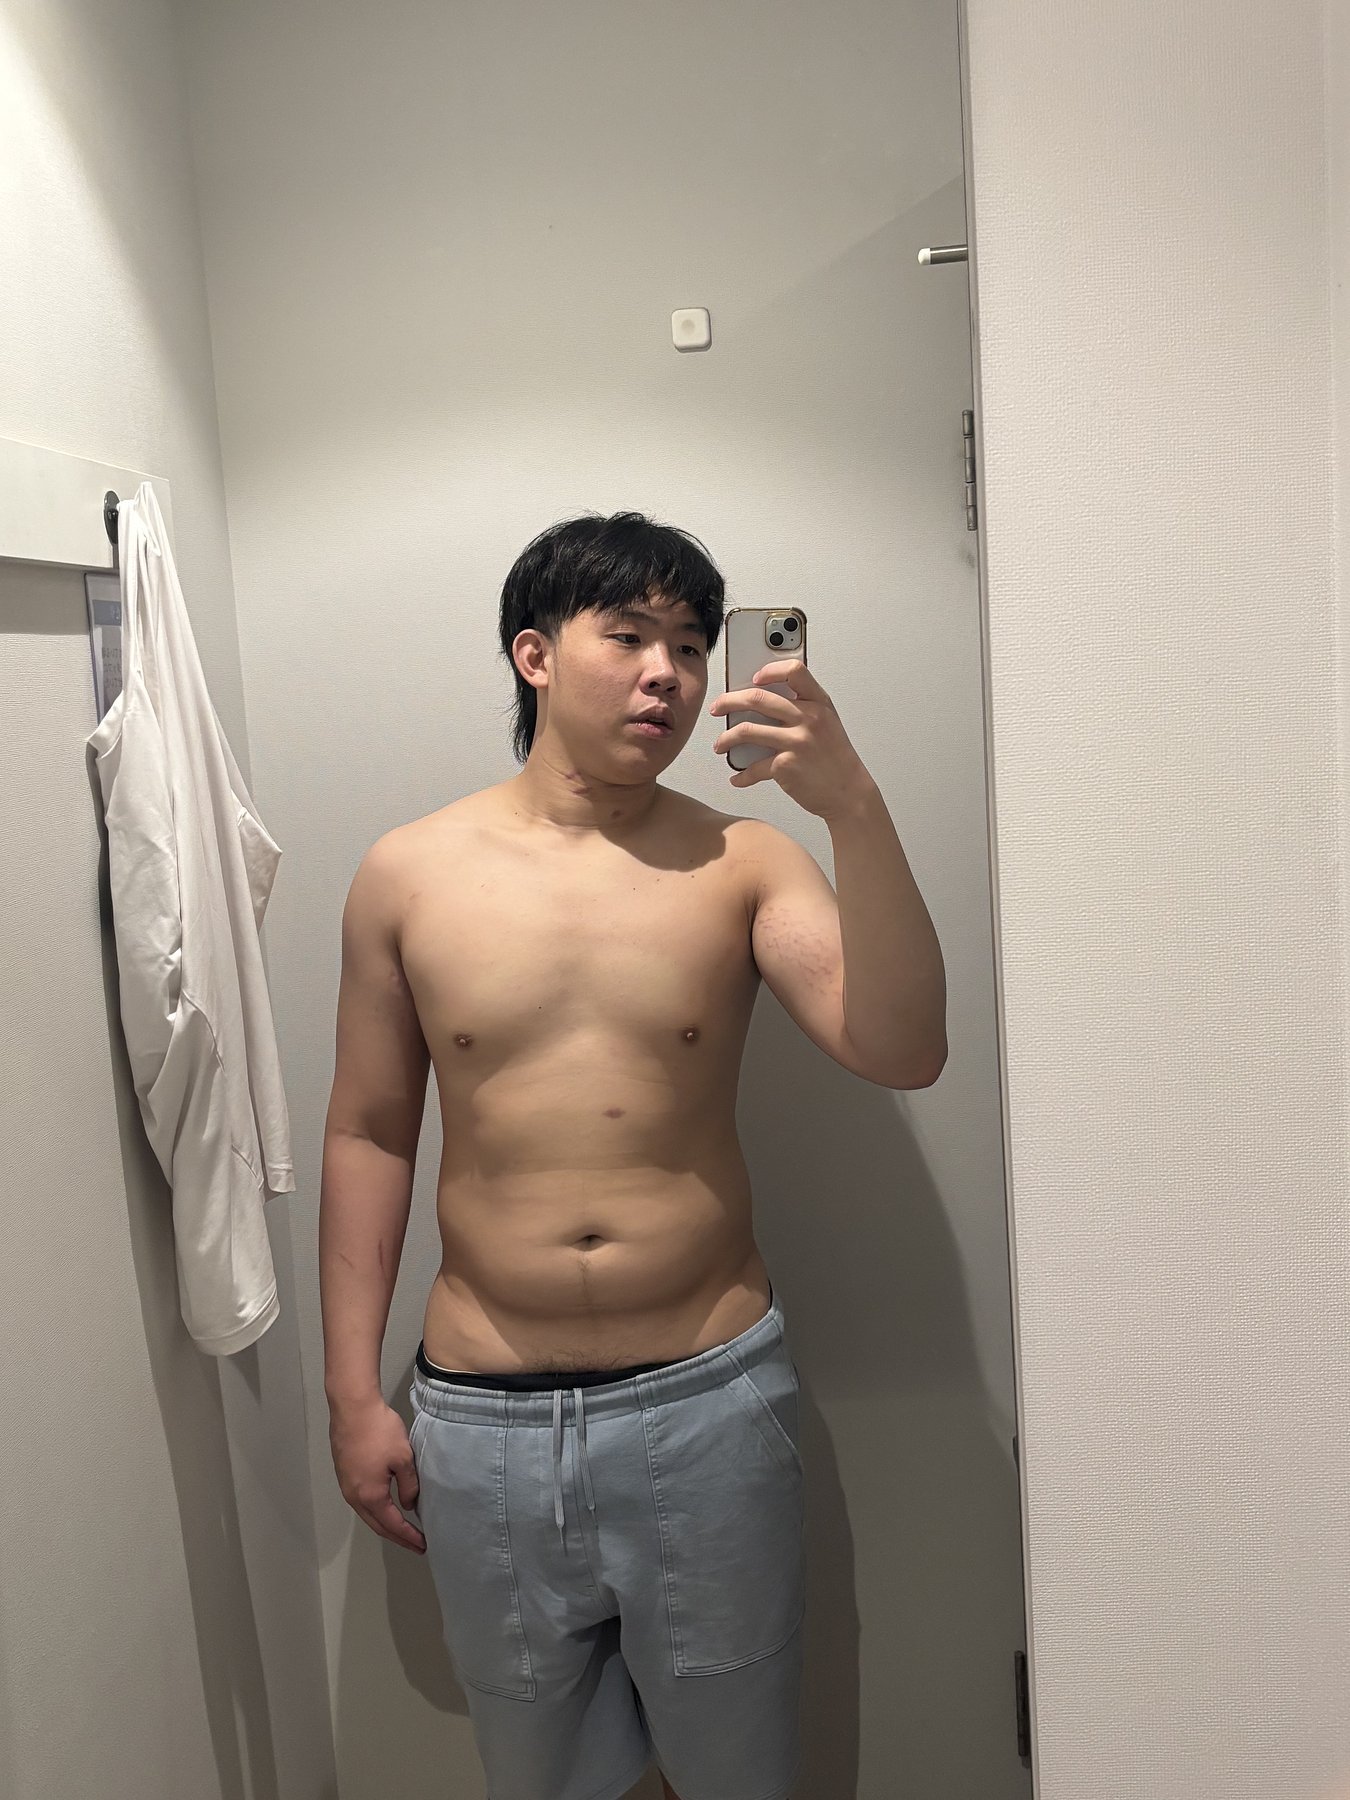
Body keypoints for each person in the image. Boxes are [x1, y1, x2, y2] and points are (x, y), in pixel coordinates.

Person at [319, 511, 947, 1800]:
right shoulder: (408, 873)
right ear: (535, 654)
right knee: (544, 1781)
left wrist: (852, 805)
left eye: (693, 644)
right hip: (482, 1416)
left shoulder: (743, 860)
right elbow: (369, 1130)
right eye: (630, 635)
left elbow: (903, 1049)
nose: (669, 672)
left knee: (738, 1773)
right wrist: (350, 1395)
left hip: (708, 1403)